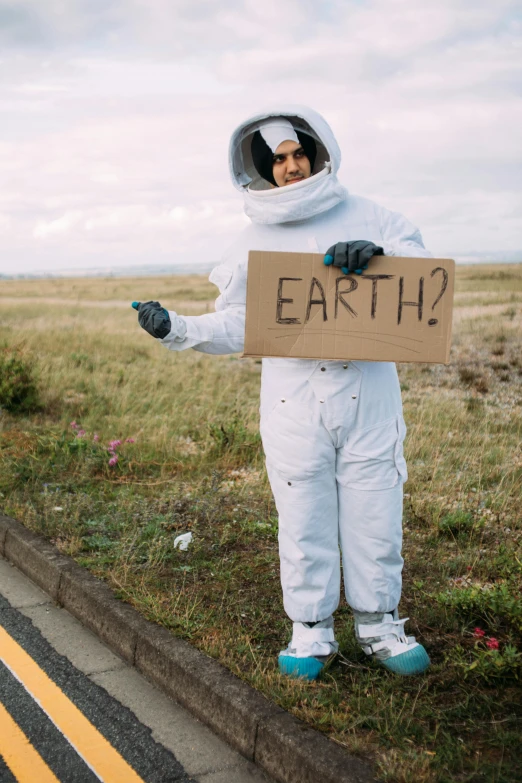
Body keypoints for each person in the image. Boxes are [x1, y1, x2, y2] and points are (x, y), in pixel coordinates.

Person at [133, 106, 432, 680]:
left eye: (299, 154)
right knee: (303, 511)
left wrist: (379, 257)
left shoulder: (374, 215)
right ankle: (311, 628)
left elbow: (423, 280)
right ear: (263, 170)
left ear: (319, 153)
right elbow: (241, 323)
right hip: (293, 400)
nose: (292, 168)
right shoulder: (251, 240)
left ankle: (380, 625)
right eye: (279, 159)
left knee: (376, 507)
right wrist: (179, 328)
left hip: (368, 391)